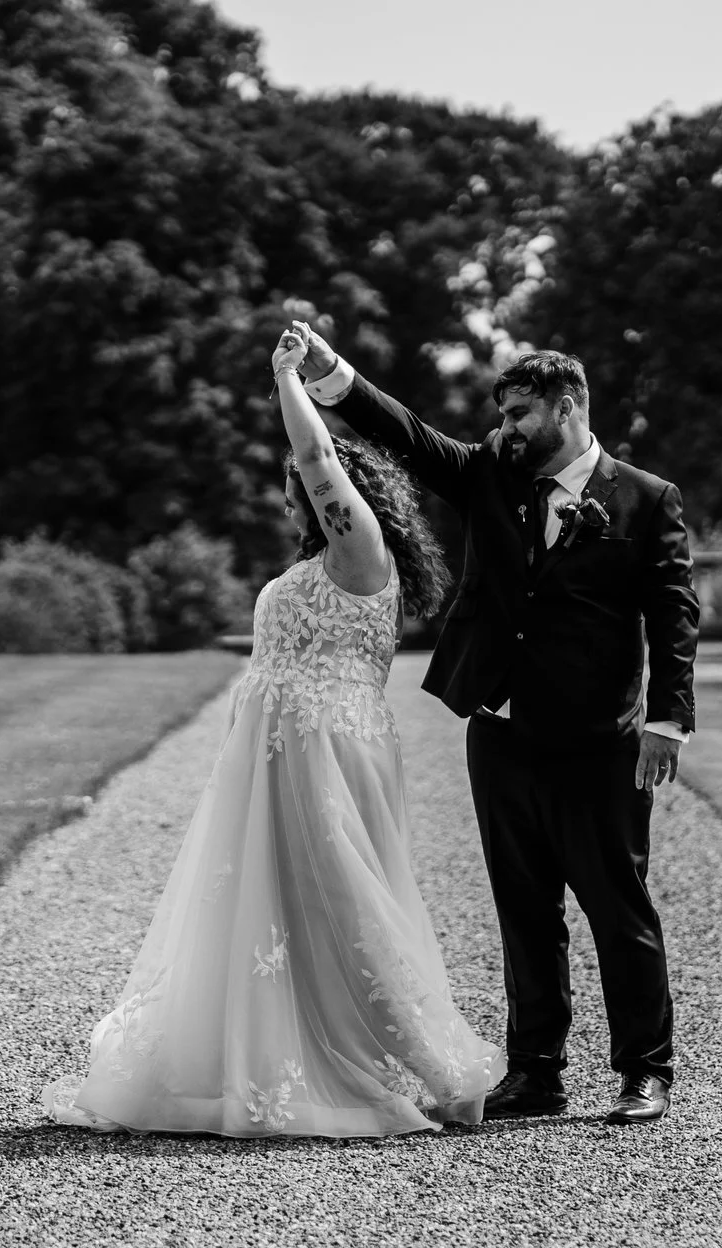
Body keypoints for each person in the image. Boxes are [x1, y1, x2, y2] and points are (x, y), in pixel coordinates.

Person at [41, 325, 503, 1136]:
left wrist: (290, 378)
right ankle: (261, 1050)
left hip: (324, 750)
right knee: (283, 909)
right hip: (277, 754)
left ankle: (444, 1069)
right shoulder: (312, 564)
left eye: (299, 487)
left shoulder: (360, 556)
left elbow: (321, 461)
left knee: (349, 901)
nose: (294, 495)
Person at [288, 323, 699, 1127]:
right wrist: (326, 370)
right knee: (524, 908)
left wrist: (669, 721)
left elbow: (673, 615)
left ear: (568, 406)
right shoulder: (489, 476)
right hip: (502, 732)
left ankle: (645, 1071)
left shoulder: (646, 499)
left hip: (598, 742)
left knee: (618, 907)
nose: (504, 428)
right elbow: (401, 431)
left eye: (518, 413)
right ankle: (536, 1071)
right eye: (502, 414)